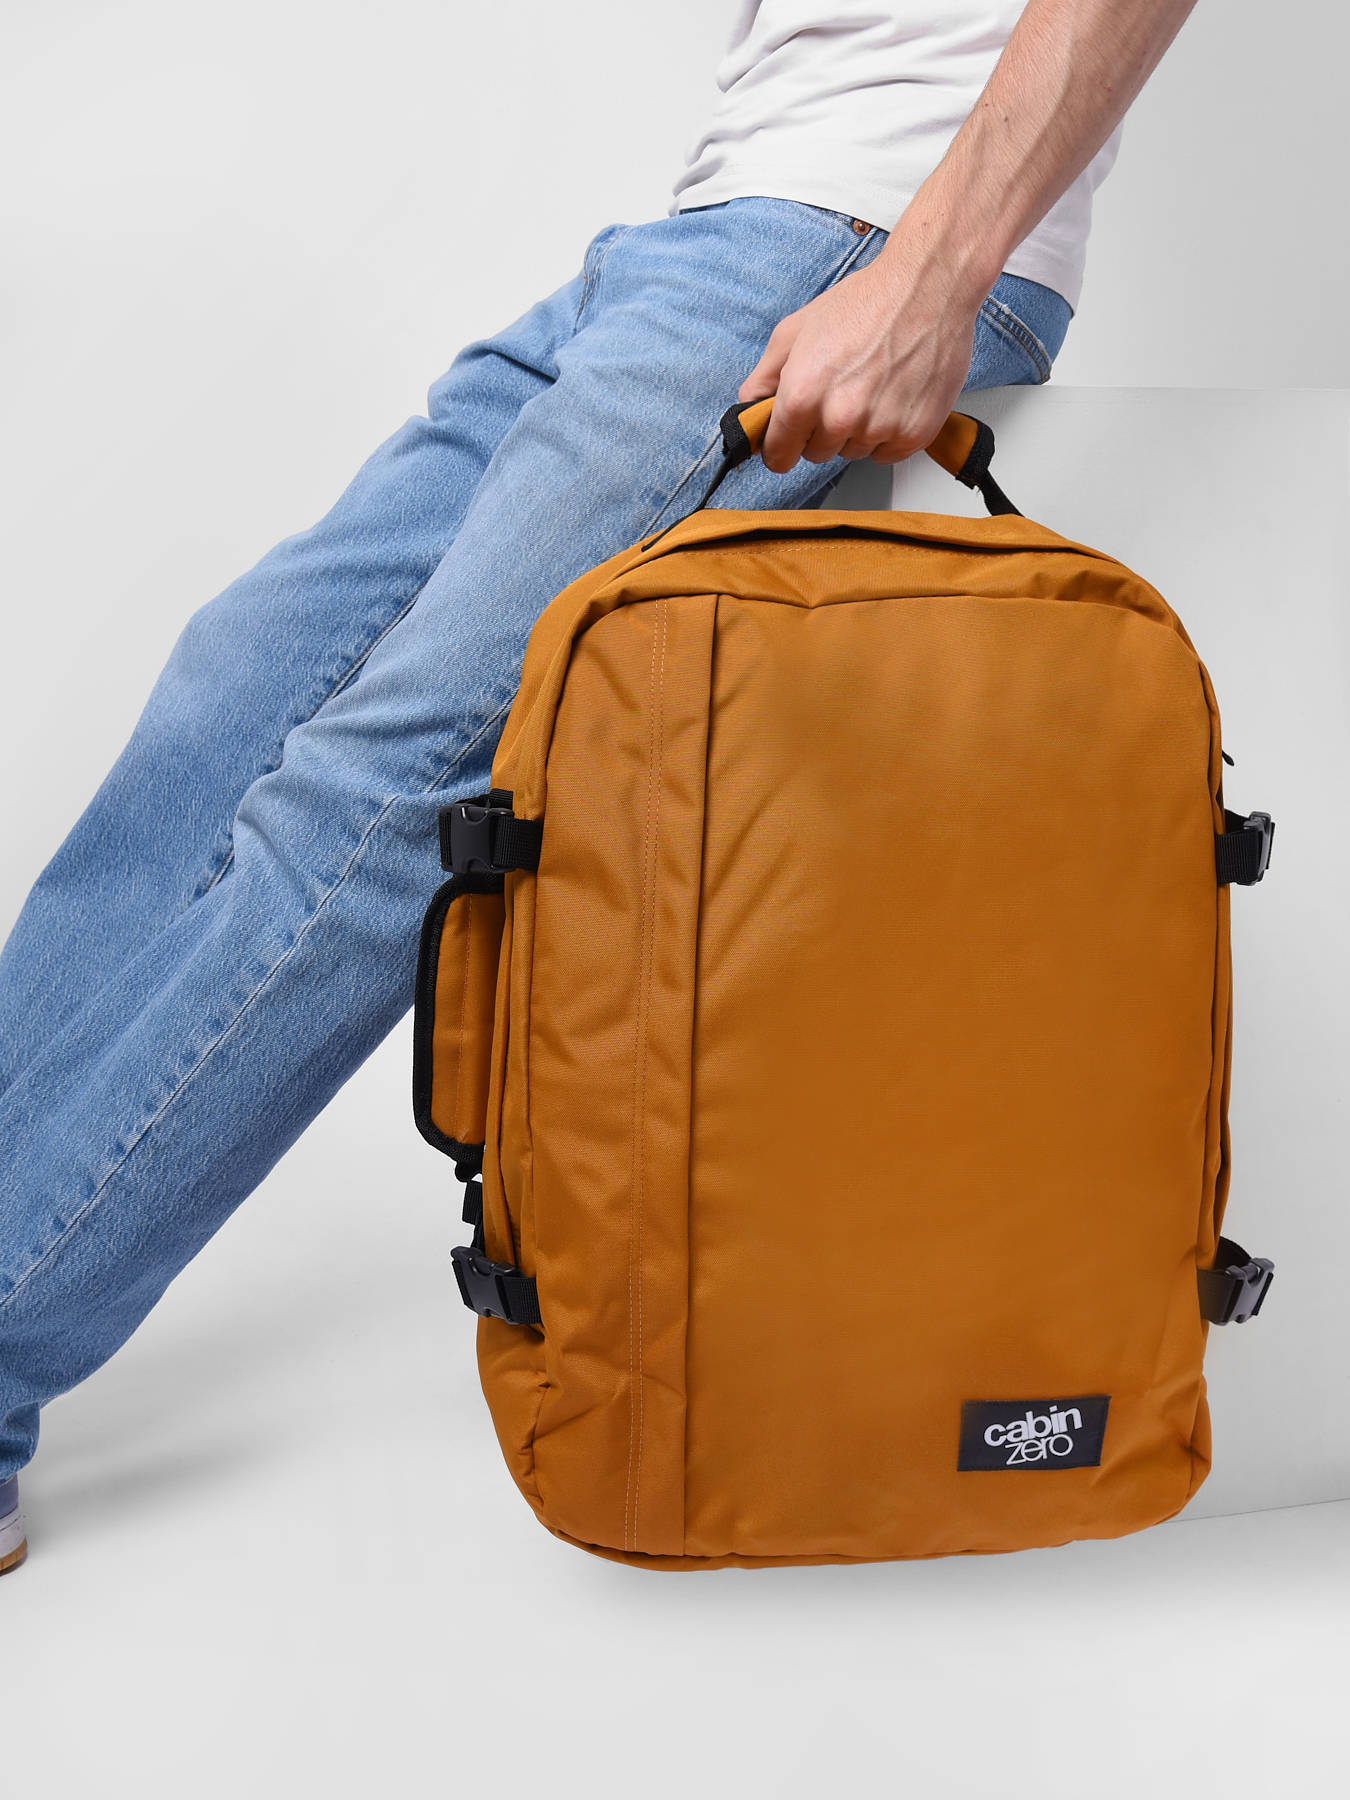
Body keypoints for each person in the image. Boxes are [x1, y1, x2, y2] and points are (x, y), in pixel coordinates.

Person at [0, 0, 1198, 1575]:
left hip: (860, 231)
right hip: (706, 234)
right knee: (234, 695)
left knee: (385, 790)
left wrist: (932, 269)